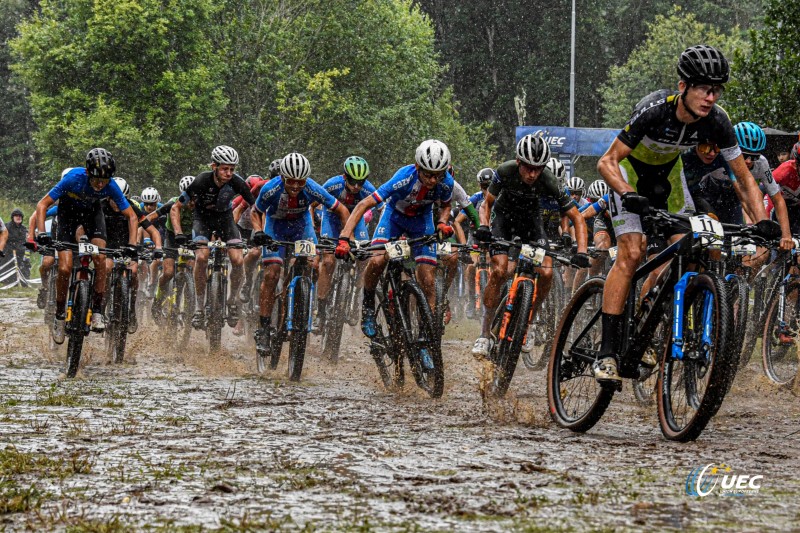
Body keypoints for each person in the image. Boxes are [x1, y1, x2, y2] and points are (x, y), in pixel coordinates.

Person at [594, 45, 779, 384]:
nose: (711, 97)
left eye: (716, 90)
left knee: (693, 250)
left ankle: (650, 315)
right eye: (703, 89)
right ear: (683, 87)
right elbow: (606, 161)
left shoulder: (718, 121)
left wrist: (761, 222)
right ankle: (606, 353)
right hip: (629, 177)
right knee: (633, 251)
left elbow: (744, 177)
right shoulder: (654, 112)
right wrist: (626, 194)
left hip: (668, 180)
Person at [471, 134, 590, 357]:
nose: (533, 174)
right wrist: (484, 226)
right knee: (499, 270)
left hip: (531, 223)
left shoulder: (548, 180)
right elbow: (487, 204)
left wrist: (581, 250)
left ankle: (529, 323)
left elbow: (576, 217)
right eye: (528, 168)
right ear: (518, 162)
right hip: (504, 220)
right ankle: (485, 333)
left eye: (538, 168)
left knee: (545, 273)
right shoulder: (505, 171)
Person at [335, 139, 456, 341]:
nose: (433, 180)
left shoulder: (447, 183)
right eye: (427, 174)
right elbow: (364, 204)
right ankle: (368, 307)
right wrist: (344, 238)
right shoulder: (403, 178)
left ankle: (427, 339)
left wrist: (443, 222)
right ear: (417, 166)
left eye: (438, 175)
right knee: (377, 260)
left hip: (421, 221)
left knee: (428, 278)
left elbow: (446, 205)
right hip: (394, 218)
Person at [34, 148, 139, 343]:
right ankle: (59, 315)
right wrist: (42, 234)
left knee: (100, 259)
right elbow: (42, 205)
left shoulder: (111, 185)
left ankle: (98, 311)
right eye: (97, 178)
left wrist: (132, 245)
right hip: (68, 217)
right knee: (64, 267)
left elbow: (131, 216)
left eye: (105, 179)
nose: (101, 184)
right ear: (88, 172)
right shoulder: (73, 178)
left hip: (93, 216)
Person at [249, 152, 349, 353]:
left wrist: (346, 239)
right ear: (282, 177)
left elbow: (342, 210)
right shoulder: (270, 189)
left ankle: (300, 301)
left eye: (300, 182)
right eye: (291, 181)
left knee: (313, 264)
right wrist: (259, 231)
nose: (295, 186)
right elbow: (255, 212)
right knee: (271, 273)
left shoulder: (312, 187)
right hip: (275, 227)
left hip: (301, 227)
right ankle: (264, 328)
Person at [170, 145, 255, 329]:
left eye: (232, 169)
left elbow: (255, 207)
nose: (229, 173)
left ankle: (232, 301)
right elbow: (176, 207)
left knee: (238, 260)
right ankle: (200, 308)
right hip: (203, 220)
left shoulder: (237, 182)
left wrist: (260, 230)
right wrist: (178, 234)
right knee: (201, 257)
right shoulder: (201, 181)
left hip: (226, 219)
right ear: (214, 166)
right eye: (225, 169)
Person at [316, 156, 378, 328]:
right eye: (352, 181)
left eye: (361, 182)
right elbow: (312, 202)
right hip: (332, 220)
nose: (357, 186)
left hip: (356, 222)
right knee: (328, 262)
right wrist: (313, 222)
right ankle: (320, 311)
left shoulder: (368, 189)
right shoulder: (331, 185)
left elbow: (384, 208)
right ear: (344, 176)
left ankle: (356, 293)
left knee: (364, 257)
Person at [101, 177, 162, 333]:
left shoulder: (133, 208)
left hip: (128, 246)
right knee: (107, 268)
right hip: (107, 246)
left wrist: (158, 247)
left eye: (120, 200)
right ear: (108, 196)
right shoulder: (100, 206)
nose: (116, 203)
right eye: (114, 199)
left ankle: (131, 310)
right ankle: (101, 306)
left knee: (134, 272)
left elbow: (153, 231)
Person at [150, 176, 196, 320]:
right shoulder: (172, 203)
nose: (192, 203)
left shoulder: (201, 205)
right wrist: (140, 224)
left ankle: (188, 305)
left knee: (192, 268)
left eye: (195, 199)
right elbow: (152, 216)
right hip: (172, 237)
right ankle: (158, 299)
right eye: (189, 199)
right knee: (169, 272)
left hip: (190, 238)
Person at [5, 208, 30, 281]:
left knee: (25, 265)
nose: (18, 217)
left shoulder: (24, 229)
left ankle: (23, 280)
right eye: (16, 215)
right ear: (13, 217)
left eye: (20, 216)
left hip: (21, 252)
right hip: (9, 252)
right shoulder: (7, 227)